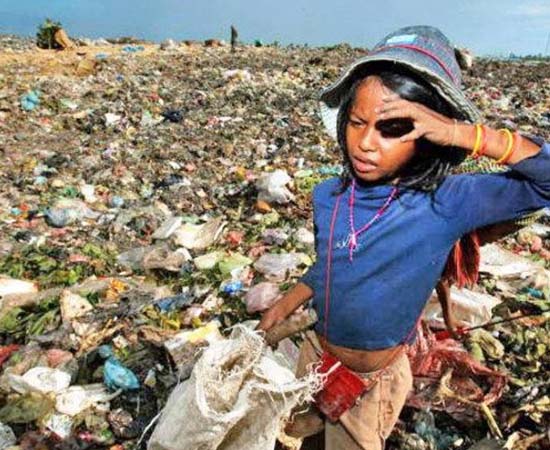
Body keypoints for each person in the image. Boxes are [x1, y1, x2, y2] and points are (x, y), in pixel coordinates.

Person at [257, 25, 550, 450]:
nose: (367, 144)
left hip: (370, 383)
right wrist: (286, 304)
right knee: (301, 438)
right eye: (357, 123)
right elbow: (332, 263)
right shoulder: (328, 196)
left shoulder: (446, 201)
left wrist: (462, 134)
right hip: (315, 359)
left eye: (393, 129)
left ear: (427, 136)